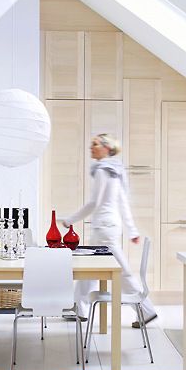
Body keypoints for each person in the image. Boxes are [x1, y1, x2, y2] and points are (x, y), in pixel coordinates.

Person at [63, 134, 157, 328]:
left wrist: (70, 220)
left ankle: (146, 310)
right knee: (90, 269)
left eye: (95, 144)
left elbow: (93, 203)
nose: (91, 147)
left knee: (121, 272)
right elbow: (122, 203)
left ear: (107, 148)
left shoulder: (103, 171)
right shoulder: (114, 170)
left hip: (104, 229)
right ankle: (78, 308)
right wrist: (131, 230)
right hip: (110, 227)